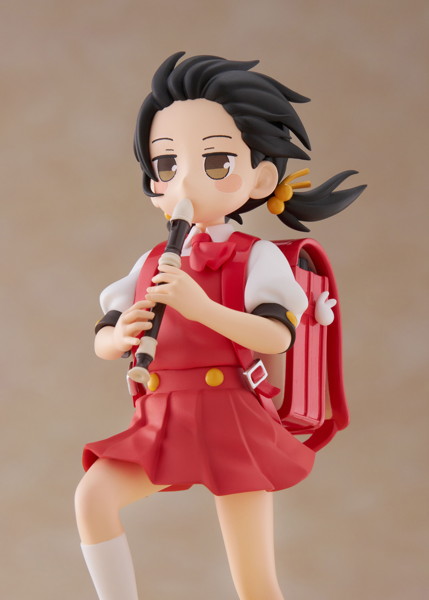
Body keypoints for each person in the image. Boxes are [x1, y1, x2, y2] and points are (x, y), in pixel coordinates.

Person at [75, 52, 365, 600]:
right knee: (92, 498)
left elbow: (277, 336)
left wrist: (199, 307)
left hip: (231, 414)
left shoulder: (256, 257)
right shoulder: (152, 260)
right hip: (163, 414)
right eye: (167, 164)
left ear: (260, 176)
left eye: (215, 162)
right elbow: (104, 336)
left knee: (253, 581)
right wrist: (120, 336)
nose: (184, 179)